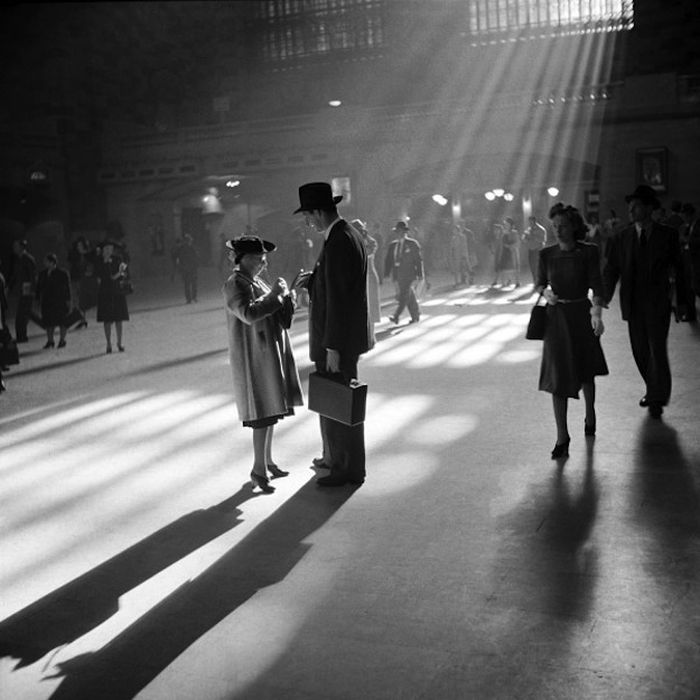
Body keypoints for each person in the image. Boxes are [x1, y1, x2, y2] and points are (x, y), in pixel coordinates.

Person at [293, 181, 374, 487]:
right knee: (333, 400)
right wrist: (314, 280)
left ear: (318, 211)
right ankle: (333, 456)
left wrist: (333, 347)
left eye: (308, 215)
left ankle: (347, 468)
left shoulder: (339, 240)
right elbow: (336, 285)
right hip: (338, 338)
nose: (307, 221)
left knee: (341, 402)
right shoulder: (343, 235)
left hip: (337, 340)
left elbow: (340, 299)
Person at [223, 235, 303, 494]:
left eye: (263, 259)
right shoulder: (235, 283)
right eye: (257, 259)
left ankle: (267, 462)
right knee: (261, 415)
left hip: (266, 353)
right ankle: (258, 469)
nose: (262, 263)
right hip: (253, 358)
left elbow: (271, 306)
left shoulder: (252, 280)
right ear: (241, 259)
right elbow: (248, 313)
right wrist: (277, 295)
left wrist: (285, 296)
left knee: (270, 412)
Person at [603, 185, 687, 419]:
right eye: (630, 205)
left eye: (637, 205)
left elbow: (680, 270)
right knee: (640, 351)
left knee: (657, 350)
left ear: (650, 208)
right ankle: (653, 388)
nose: (631, 209)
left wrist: (682, 302)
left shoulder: (667, 235)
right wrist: (604, 295)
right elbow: (611, 269)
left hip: (658, 302)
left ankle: (657, 395)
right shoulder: (622, 238)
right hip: (633, 302)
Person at [536, 203, 609, 459]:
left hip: (581, 314)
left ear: (574, 226)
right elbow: (539, 283)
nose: (558, 230)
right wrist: (546, 293)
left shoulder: (588, 252)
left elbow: (597, 285)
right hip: (557, 318)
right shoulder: (547, 254)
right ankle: (562, 436)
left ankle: (590, 412)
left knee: (586, 370)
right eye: (554, 226)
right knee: (558, 378)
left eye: (563, 225)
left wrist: (597, 313)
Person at [383, 220, 424, 324]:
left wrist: (420, 274)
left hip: (410, 274)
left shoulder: (412, 244)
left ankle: (396, 315)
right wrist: (387, 274)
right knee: (409, 295)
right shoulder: (393, 245)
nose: (399, 234)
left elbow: (418, 260)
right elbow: (388, 260)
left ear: (405, 232)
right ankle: (416, 314)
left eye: (401, 231)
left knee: (404, 295)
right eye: (398, 231)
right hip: (397, 274)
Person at [96, 240, 130, 354]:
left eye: (110, 249)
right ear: (103, 250)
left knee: (119, 319)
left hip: (117, 292)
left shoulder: (117, 259)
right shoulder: (99, 262)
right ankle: (108, 343)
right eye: (106, 249)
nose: (109, 251)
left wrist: (121, 274)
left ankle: (119, 343)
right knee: (107, 320)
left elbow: (124, 273)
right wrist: (116, 273)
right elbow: (102, 276)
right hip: (105, 292)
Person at [36, 253, 72, 349]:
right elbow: (39, 287)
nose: (45, 263)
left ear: (52, 262)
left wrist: (68, 300)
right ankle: (50, 340)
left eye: (46, 261)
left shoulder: (62, 273)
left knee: (62, 321)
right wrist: (37, 299)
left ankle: (62, 340)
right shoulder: (42, 274)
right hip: (47, 301)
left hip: (59, 301)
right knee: (48, 322)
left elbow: (67, 288)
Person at [351, 219, 382, 324]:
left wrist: (365, 237)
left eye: (360, 230)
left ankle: (371, 337)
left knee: (370, 310)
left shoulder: (370, 242)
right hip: (356, 279)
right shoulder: (351, 243)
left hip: (369, 278)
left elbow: (368, 253)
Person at [12, 239, 39, 343]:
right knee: (25, 313)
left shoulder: (28, 259)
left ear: (21, 247)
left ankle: (22, 336)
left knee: (22, 315)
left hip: (27, 291)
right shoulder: (18, 259)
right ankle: (21, 335)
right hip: (22, 290)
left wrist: (33, 290)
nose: (14, 248)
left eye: (16, 246)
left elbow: (33, 276)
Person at [67, 236, 91, 328]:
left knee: (81, 299)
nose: (79, 246)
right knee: (75, 299)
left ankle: (82, 319)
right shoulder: (74, 254)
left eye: (81, 245)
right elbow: (71, 264)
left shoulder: (87, 254)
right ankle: (80, 318)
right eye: (78, 245)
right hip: (75, 278)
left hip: (83, 279)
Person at [522, 215, 548, 286]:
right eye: (529, 222)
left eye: (531, 222)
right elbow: (523, 238)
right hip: (531, 250)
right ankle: (535, 281)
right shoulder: (528, 229)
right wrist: (525, 239)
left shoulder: (541, 229)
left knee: (538, 266)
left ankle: (540, 282)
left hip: (538, 250)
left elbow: (543, 240)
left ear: (535, 221)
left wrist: (532, 236)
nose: (530, 223)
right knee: (532, 266)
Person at [175, 234, 200, 303]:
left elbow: (178, 259)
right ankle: (193, 297)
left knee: (187, 284)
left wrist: (180, 268)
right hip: (191, 269)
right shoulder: (192, 248)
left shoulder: (181, 248)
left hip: (186, 269)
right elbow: (196, 257)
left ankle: (189, 299)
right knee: (192, 284)